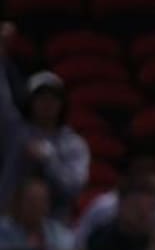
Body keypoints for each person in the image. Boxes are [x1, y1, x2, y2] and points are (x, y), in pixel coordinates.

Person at [1, 62, 90, 217]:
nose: (47, 104)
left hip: (54, 227)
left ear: (62, 104)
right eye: (41, 98)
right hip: (7, 223)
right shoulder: (16, 133)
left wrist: (48, 159)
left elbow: (73, 187)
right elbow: (3, 102)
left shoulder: (74, 145)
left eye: (53, 98)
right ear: (30, 102)